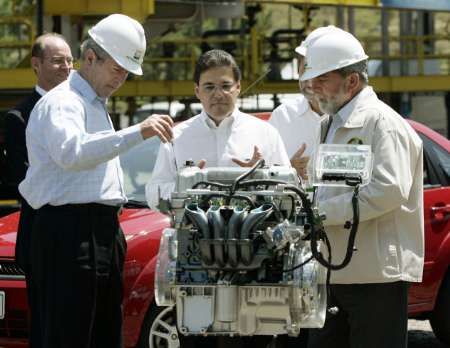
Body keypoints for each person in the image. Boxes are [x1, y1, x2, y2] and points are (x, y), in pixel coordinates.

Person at [18, 14, 174, 348]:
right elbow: (72, 154)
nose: (122, 79)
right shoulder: (62, 103)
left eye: (127, 73)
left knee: (103, 334)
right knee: (67, 335)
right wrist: (138, 131)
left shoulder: (92, 105)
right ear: (90, 58)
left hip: (99, 231)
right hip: (69, 234)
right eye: (118, 69)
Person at [301, 28, 424, 348]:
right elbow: (328, 187)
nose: (312, 87)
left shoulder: (382, 123)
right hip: (334, 273)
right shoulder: (329, 124)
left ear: (351, 81)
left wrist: (318, 213)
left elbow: (387, 189)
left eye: (322, 79)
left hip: (375, 277)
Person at [146, 49, 290, 209]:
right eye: (209, 87)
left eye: (225, 86)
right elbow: (154, 194)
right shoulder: (176, 137)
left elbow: (288, 190)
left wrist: (260, 177)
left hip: (253, 230)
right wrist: (189, 184)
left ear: (238, 88)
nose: (218, 94)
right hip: (193, 231)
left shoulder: (266, 133)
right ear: (197, 91)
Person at [4, 33, 73, 348]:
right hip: (42, 237)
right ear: (36, 64)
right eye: (58, 60)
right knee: (45, 324)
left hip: (80, 238)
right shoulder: (19, 117)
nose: (66, 67)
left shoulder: (84, 110)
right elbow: (26, 181)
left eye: (70, 60)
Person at [269, 26, 344, 180]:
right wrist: (288, 170)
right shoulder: (282, 117)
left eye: (319, 72)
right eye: (306, 69)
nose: (310, 80)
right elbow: (263, 172)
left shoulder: (357, 118)